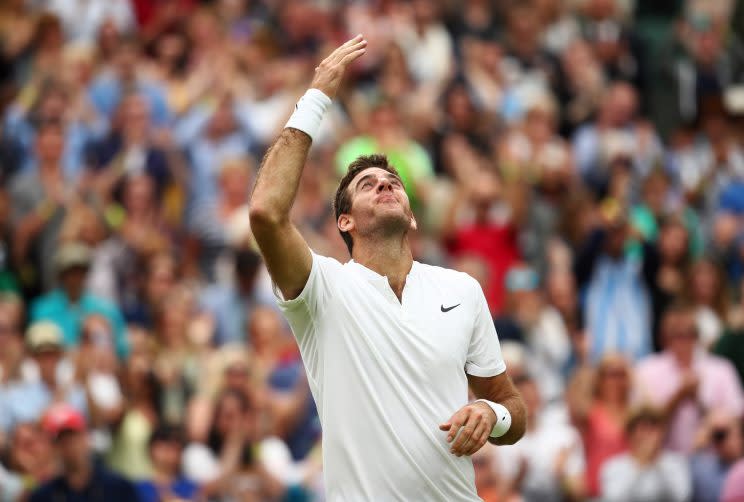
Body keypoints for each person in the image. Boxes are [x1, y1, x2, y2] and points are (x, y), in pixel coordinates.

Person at [249, 35, 526, 501]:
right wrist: (315, 98)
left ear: (411, 215)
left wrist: (489, 414)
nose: (385, 184)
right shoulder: (322, 289)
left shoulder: (461, 288)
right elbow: (265, 213)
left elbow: (511, 407)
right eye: (367, 184)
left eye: (392, 181)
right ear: (346, 221)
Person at [635, 304, 744, 454]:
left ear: (697, 337)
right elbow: (642, 425)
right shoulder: (646, 369)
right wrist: (678, 396)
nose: (684, 341)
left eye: (689, 334)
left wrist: (698, 400)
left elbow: (735, 420)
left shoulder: (721, 369)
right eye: (677, 335)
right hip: (661, 459)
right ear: (664, 337)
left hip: (713, 459)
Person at [28, 403, 139, 502]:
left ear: (86, 438)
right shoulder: (44, 496)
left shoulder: (118, 487)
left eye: (74, 437)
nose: (70, 446)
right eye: (62, 441)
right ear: (55, 448)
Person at [600, 406, 691, 502]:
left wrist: (657, 464)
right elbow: (613, 499)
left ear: (662, 432)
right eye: (642, 428)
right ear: (631, 434)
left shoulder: (676, 463)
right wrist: (640, 466)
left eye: (652, 428)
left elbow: (681, 497)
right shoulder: (613, 466)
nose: (648, 434)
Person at [136, 425, 199, 502]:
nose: (167, 453)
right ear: (151, 449)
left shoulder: (192, 488)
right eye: (163, 448)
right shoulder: (138, 489)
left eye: (174, 448)